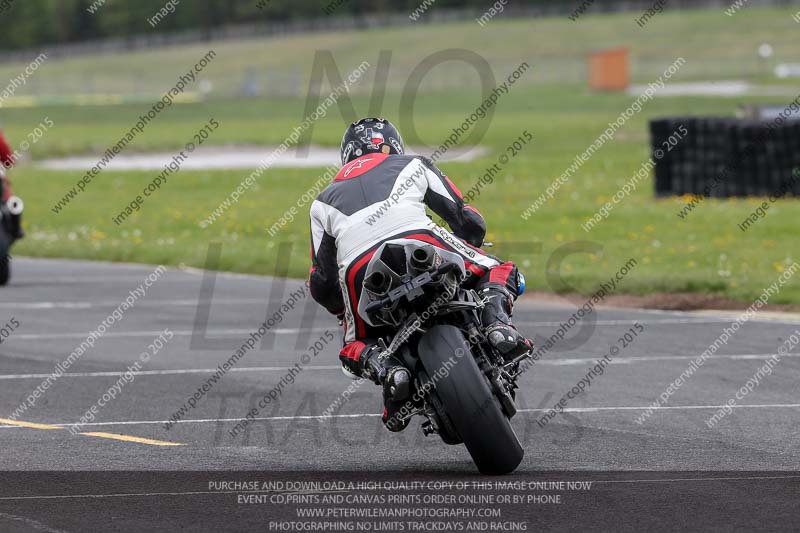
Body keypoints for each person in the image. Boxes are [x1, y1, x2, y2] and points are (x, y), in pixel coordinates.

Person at [309, 118, 531, 432]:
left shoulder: (321, 202)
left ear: (347, 155)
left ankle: (386, 369)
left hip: (359, 268)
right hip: (419, 239)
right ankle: (496, 324)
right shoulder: (413, 163)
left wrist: (339, 310)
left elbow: (321, 281)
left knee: (352, 345)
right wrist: (470, 240)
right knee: (499, 268)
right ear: (393, 144)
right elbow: (465, 216)